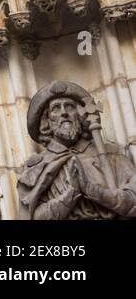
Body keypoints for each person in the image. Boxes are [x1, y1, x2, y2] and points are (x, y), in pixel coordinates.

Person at [18, 81, 136, 220]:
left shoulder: (110, 155)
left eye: (69, 107)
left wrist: (93, 191)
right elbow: (31, 217)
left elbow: (133, 200)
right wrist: (71, 194)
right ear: (47, 121)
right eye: (56, 108)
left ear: (80, 115)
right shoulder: (36, 169)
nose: (64, 113)